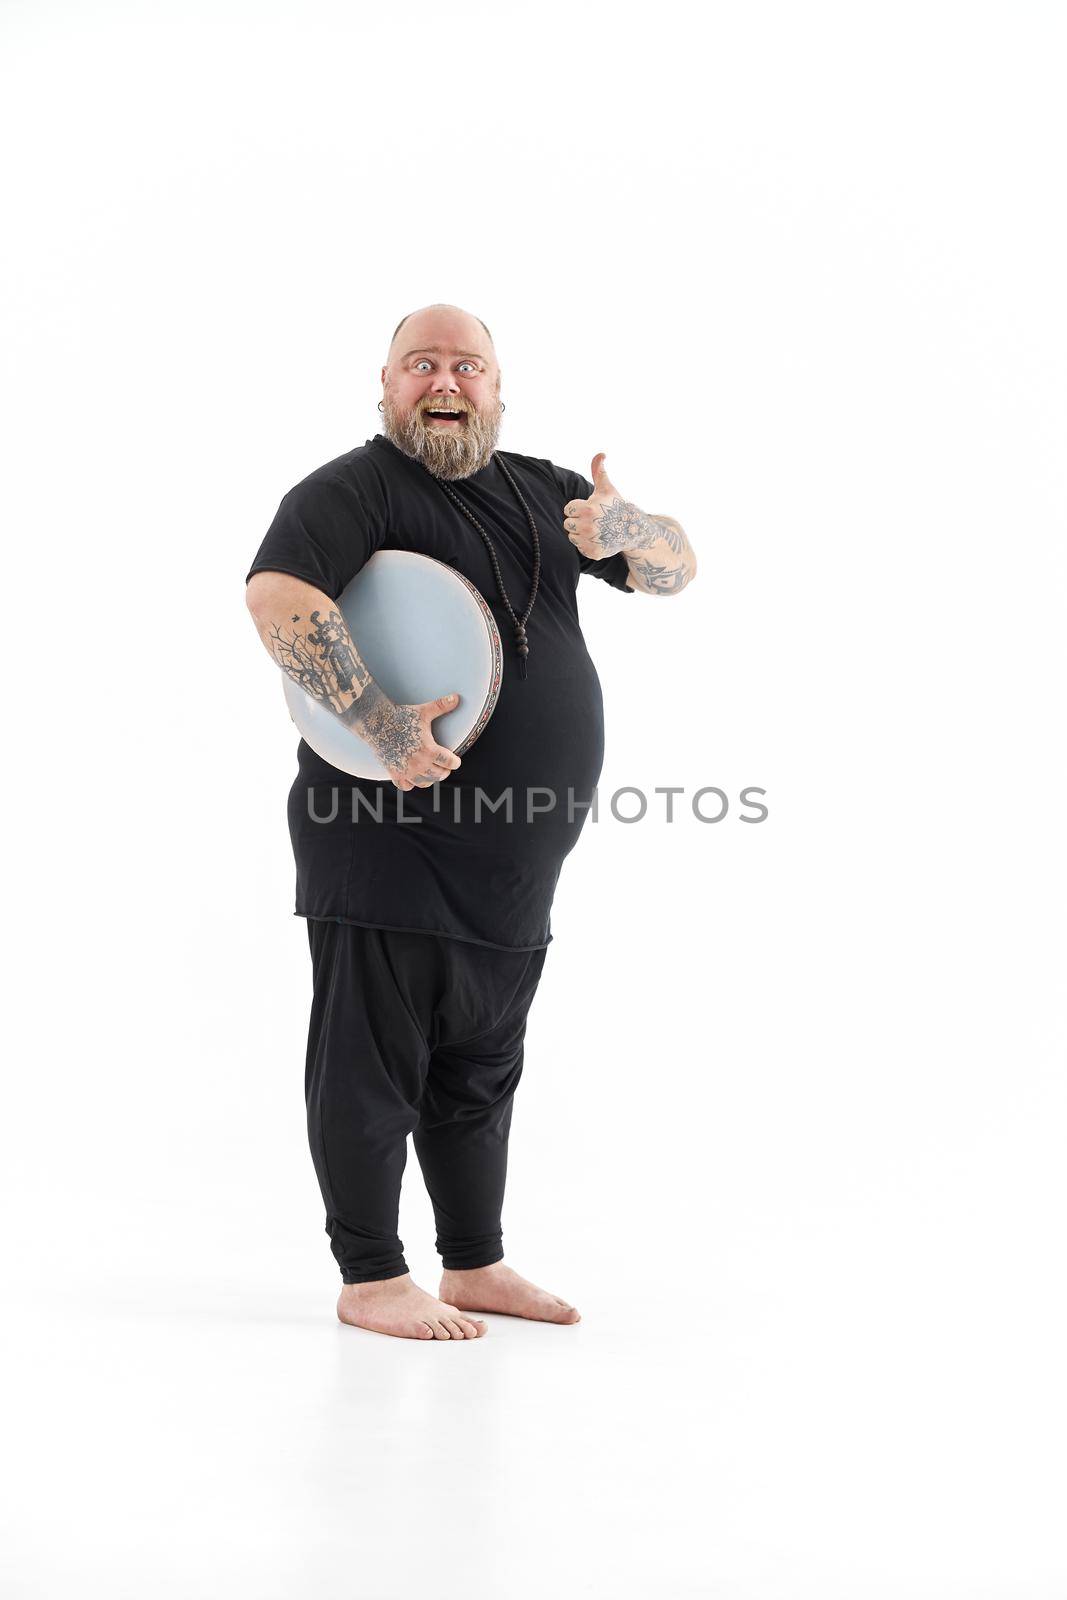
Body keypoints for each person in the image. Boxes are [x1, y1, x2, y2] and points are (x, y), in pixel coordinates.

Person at [244, 303, 697, 1341]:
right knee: (371, 1061)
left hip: (511, 861)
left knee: (478, 1067)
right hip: (382, 834)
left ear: (496, 386)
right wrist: (378, 726)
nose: (444, 380)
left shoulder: (542, 489)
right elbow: (276, 595)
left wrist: (627, 531)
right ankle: (369, 1276)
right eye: (420, 364)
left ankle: (474, 1262)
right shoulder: (352, 487)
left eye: (466, 364)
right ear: (386, 383)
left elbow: (674, 569)